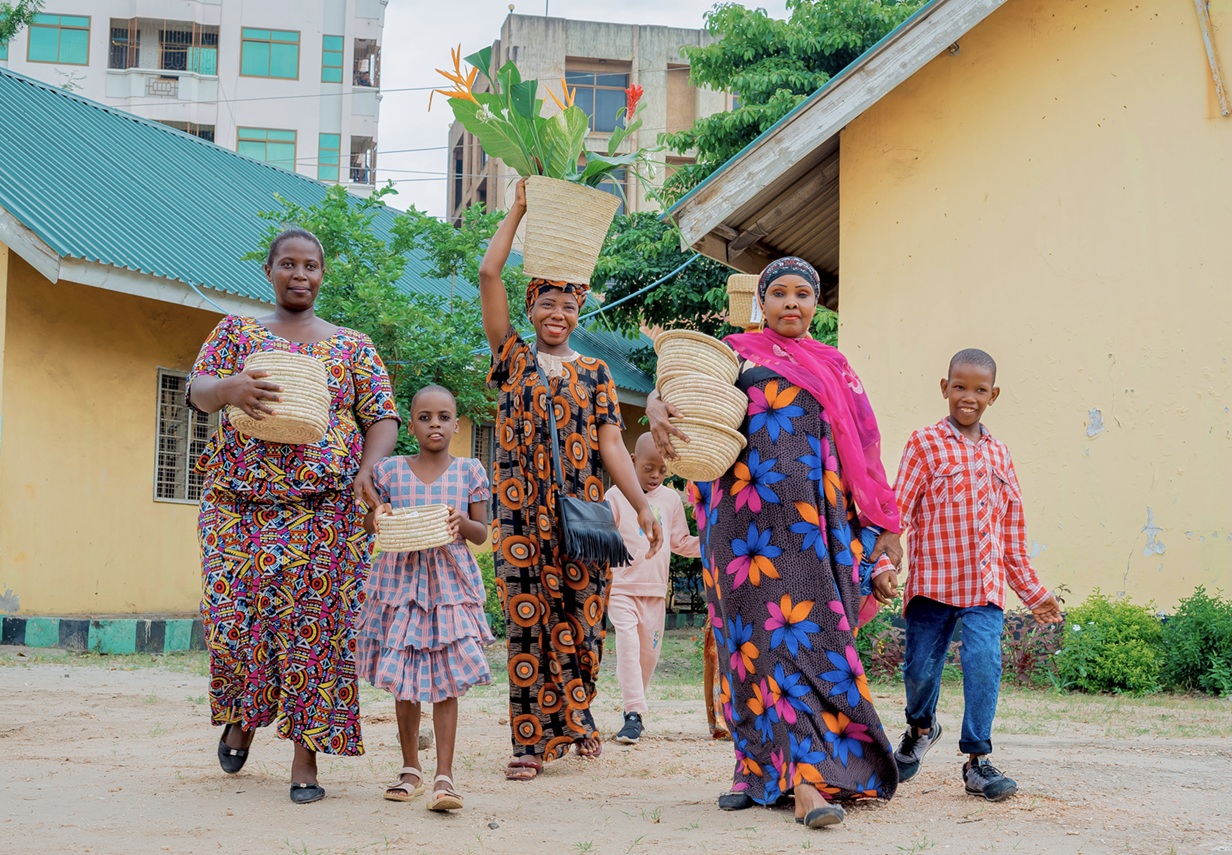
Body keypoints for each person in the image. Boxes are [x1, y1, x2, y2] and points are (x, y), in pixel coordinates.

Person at [647, 257, 902, 829]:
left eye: (802, 294)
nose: (791, 302)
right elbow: (680, 396)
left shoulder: (835, 366)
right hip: (740, 530)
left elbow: (865, 445)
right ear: (761, 302)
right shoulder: (735, 355)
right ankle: (754, 771)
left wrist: (885, 527)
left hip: (814, 527)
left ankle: (810, 782)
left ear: (816, 306)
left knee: (807, 644)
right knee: (746, 649)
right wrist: (658, 408)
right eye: (779, 293)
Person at [188, 227, 400, 804]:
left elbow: (382, 416)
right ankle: (242, 716)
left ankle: (305, 756)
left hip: (327, 511)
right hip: (237, 508)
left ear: (322, 274)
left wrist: (368, 468)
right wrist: (230, 388)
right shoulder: (235, 332)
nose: (300, 274)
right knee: (237, 626)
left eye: (310, 265)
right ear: (269, 270)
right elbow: (197, 390)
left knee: (317, 633)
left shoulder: (353, 346)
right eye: (288, 264)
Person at [478, 178, 663, 782]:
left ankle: (577, 718)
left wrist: (641, 506)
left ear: (579, 312)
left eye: (569, 306)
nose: (558, 315)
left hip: (583, 513)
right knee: (529, 620)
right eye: (547, 304)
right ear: (531, 307)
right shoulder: (512, 358)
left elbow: (613, 445)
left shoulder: (597, 372)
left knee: (584, 620)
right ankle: (530, 743)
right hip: (520, 511)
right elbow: (487, 274)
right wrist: (519, 211)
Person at [890, 348, 1063, 801]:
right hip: (932, 581)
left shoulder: (1000, 455)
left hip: (984, 585)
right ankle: (921, 728)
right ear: (945, 389)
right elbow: (899, 511)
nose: (969, 397)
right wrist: (884, 563)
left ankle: (978, 762)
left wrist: (1033, 592)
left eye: (979, 390)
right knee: (918, 671)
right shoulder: (924, 443)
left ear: (993, 395)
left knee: (983, 662)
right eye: (960, 387)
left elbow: (1011, 531)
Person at [357, 384, 494, 812]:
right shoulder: (390, 472)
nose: (435, 424)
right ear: (411, 424)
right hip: (401, 583)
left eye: (443, 417)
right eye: (424, 417)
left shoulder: (470, 470)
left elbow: (482, 531)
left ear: (456, 424)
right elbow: (369, 523)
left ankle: (444, 776)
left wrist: (460, 522)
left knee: (447, 680)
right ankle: (411, 768)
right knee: (404, 676)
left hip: (449, 586)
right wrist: (377, 515)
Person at [605, 433, 701, 745]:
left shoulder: (671, 499)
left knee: (649, 655)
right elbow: (605, 542)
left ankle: (634, 707)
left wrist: (715, 543)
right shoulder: (616, 496)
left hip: (655, 594)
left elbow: (681, 543)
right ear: (631, 461)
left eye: (662, 470)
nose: (656, 476)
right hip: (622, 588)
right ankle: (633, 714)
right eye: (649, 468)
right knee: (629, 648)